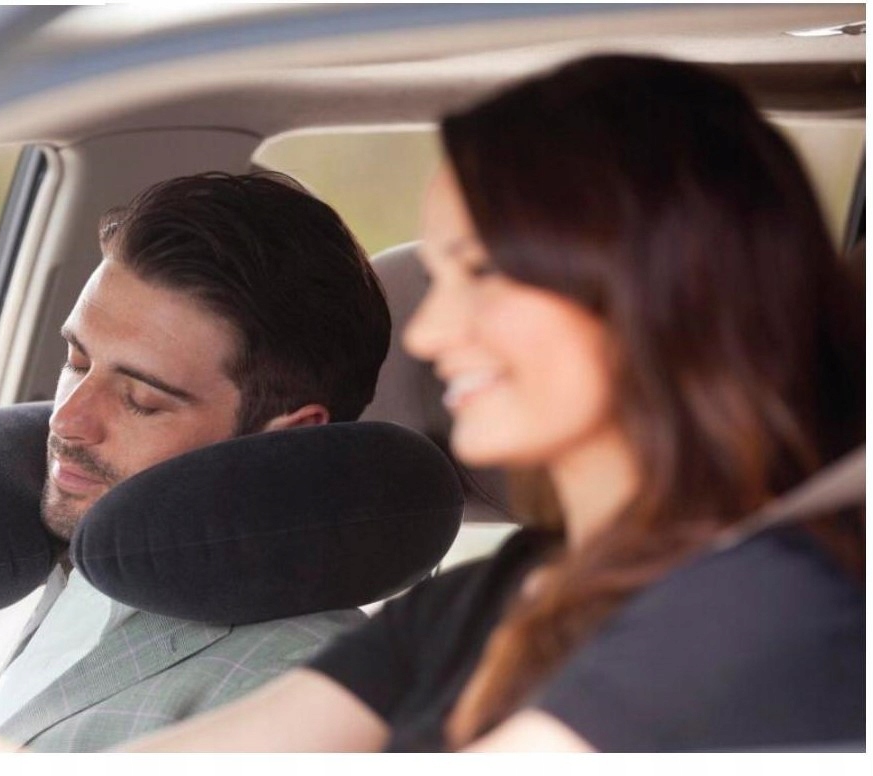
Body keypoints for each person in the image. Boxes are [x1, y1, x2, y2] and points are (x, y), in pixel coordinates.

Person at [111, 54, 865, 752]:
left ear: (661, 290)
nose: (428, 333)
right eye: (438, 280)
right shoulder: (496, 595)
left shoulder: (773, 606)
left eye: (481, 273)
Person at [0, 171, 392, 751]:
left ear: (286, 439)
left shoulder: (302, 690)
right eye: (76, 361)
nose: (66, 420)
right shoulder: (25, 576)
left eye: (141, 398)